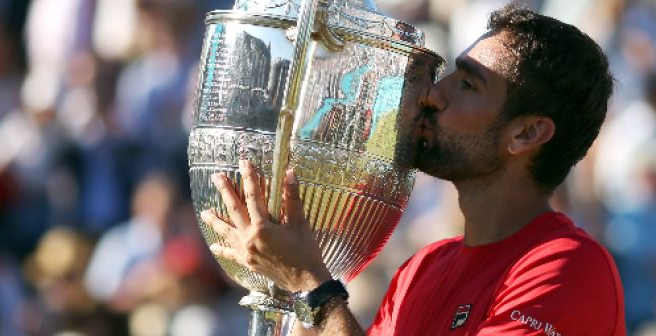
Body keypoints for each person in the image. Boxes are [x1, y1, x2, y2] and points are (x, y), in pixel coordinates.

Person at [200, 4, 626, 335]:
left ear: (527, 133)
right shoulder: (422, 268)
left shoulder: (567, 269)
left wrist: (309, 282)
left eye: (466, 84)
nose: (433, 95)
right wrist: (286, 284)